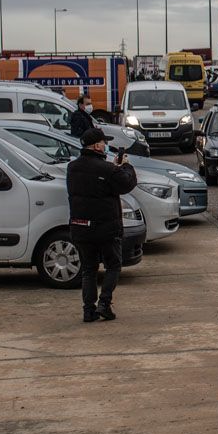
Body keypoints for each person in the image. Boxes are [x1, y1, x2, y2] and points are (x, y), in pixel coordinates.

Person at [67, 126, 138, 322]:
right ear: (98, 145)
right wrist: (125, 167)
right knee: (113, 265)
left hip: (80, 226)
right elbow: (127, 184)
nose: (106, 145)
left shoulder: (72, 168)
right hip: (106, 227)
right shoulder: (107, 169)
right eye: (104, 143)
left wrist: (114, 168)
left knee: (89, 269)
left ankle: (88, 310)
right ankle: (104, 303)